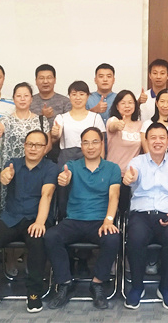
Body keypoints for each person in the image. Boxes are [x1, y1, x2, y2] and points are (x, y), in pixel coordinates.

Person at [0, 130, 58, 314]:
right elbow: (5, 177)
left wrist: (40, 222)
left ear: (45, 148)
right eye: (30, 144)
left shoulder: (51, 167)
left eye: (38, 145)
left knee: (37, 240)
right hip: (11, 216)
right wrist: (5, 176)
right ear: (24, 146)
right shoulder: (13, 163)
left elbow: (47, 194)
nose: (33, 148)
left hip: (36, 217)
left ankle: (34, 293)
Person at [45, 127, 121, 310]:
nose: (90, 146)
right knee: (51, 236)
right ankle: (65, 283)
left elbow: (114, 196)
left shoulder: (112, 168)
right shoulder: (72, 166)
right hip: (74, 220)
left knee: (113, 238)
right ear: (81, 145)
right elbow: (65, 176)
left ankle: (97, 283)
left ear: (102, 144)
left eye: (95, 142)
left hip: (100, 221)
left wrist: (109, 220)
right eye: (86, 142)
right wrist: (64, 179)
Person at [122, 122, 168, 310]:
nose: (157, 141)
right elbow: (130, 178)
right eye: (153, 138)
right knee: (135, 238)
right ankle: (137, 287)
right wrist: (129, 179)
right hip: (141, 215)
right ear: (146, 141)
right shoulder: (136, 162)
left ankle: (166, 287)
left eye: (162, 138)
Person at [0, 83, 52, 172]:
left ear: (31, 99)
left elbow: (48, 145)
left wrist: (34, 159)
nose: (22, 99)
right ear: (13, 99)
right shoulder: (5, 120)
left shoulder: (41, 120)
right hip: (12, 169)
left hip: (36, 169)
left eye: (26, 96)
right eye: (18, 96)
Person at [50, 81, 106, 167]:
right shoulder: (61, 118)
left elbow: (101, 144)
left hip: (90, 158)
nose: (78, 98)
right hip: (67, 159)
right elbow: (55, 138)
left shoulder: (95, 117)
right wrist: (54, 134)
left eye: (81, 94)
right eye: (74, 94)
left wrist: (101, 165)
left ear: (87, 96)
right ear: (69, 96)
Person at [105, 90, 144, 210]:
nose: (127, 106)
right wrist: (118, 125)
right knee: (113, 207)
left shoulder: (140, 125)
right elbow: (112, 127)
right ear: (117, 106)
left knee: (128, 209)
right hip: (113, 173)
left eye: (130, 103)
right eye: (123, 103)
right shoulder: (113, 120)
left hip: (132, 175)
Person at [31, 64, 72, 162]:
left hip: (59, 151)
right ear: (36, 81)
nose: (45, 81)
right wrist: (42, 117)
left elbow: (69, 128)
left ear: (55, 80)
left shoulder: (65, 102)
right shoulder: (29, 101)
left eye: (49, 78)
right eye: (41, 78)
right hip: (33, 148)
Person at [140, 88, 168, 160]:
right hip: (152, 164)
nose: (165, 105)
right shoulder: (147, 124)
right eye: (162, 101)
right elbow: (146, 150)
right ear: (156, 103)